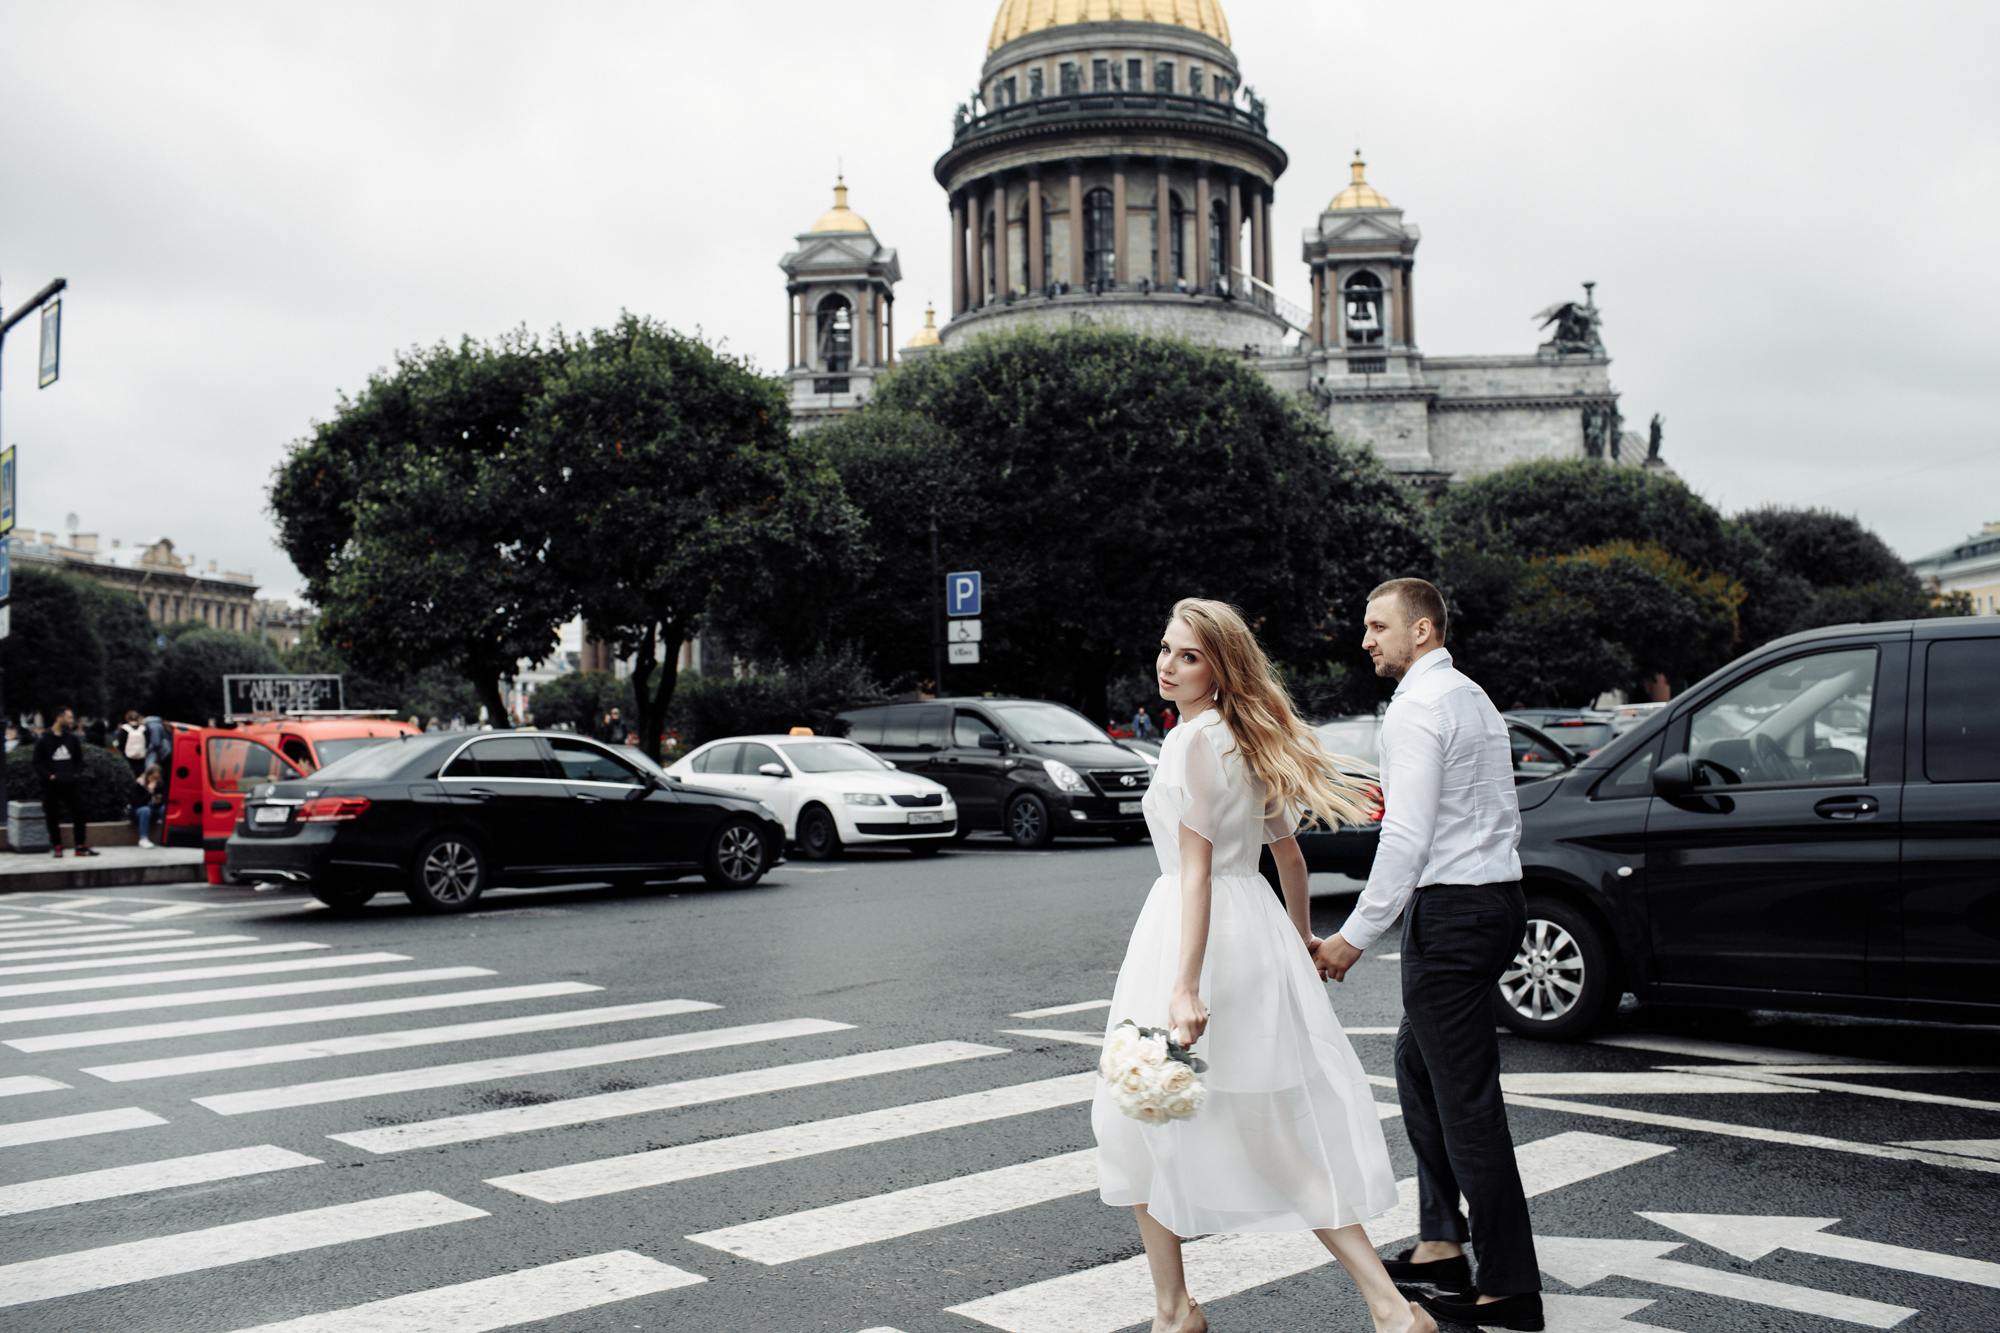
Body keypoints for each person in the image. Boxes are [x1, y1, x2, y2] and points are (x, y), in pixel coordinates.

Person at [1095, 598, 1433, 1333]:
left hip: (1189, 938)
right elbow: (1290, 858)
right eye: (1166, 649)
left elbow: (1195, 873)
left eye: (1189, 655)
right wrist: (1298, 942)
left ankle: (1174, 1310)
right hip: (1251, 932)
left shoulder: (1190, 742)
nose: (1168, 665)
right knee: (1270, 1137)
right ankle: (1388, 1307)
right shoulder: (1246, 737)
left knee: (1139, 1113)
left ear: (1220, 668)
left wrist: (1184, 986)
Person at [1314, 578, 1541, 1331]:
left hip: (1452, 913)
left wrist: (1352, 936)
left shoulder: (1416, 707)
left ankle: (1509, 1285)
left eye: (1378, 626)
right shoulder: (1473, 697)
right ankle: (1442, 1240)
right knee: (1418, 1064)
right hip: (1498, 900)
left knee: (1467, 1101)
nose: (1366, 640)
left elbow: (1405, 837)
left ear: (1422, 630)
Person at [32, 708, 98, 859]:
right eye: (69, 718)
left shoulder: (72, 739)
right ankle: (57, 846)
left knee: (79, 812)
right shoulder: (44, 740)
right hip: (51, 785)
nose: (71, 721)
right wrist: (50, 776)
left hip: (70, 783)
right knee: (52, 815)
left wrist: (75, 774)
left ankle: (80, 846)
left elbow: (79, 760)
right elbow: (37, 763)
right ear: (59, 717)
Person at [130, 764, 164, 848]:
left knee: (164, 809)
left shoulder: (158, 785)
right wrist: (149, 792)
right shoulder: (139, 784)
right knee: (145, 810)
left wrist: (158, 801)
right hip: (139, 813)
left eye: (157, 778)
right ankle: (143, 838)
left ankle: (164, 835)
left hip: (152, 813)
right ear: (148, 776)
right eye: (153, 778)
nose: (155, 780)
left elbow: (159, 803)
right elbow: (136, 803)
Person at [118, 711, 149, 777]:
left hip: (128, 756)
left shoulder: (124, 729)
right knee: (140, 774)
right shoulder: (143, 728)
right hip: (141, 756)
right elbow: (148, 742)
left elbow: (121, 743)